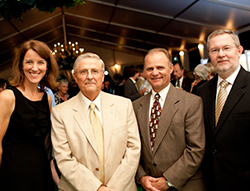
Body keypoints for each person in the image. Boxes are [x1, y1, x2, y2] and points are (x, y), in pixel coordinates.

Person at [51, 52, 141, 191]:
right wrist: (96, 188)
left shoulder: (124, 105)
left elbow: (133, 149)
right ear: (75, 76)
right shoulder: (60, 113)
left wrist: (114, 187)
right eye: (83, 72)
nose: (90, 76)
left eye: (94, 71)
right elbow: (64, 158)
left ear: (102, 75)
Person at [133, 48, 206, 191]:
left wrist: (168, 180)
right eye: (150, 68)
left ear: (171, 68)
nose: (155, 73)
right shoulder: (135, 106)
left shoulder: (191, 102)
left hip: (185, 186)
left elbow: (196, 149)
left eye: (160, 67)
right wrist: (141, 176)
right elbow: (132, 147)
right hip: (150, 187)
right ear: (144, 72)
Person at [0, 39, 59, 191]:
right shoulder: (8, 96)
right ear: (21, 66)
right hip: (12, 176)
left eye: (40, 62)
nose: (34, 68)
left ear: (47, 67)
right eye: (29, 62)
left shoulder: (47, 99)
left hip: (41, 174)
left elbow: (45, 146)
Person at [197, 29, 250, 191]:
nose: (221, 54)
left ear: (239, 51)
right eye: (214, 50)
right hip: (210, 182)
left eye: (226, 48)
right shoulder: (202, 91)